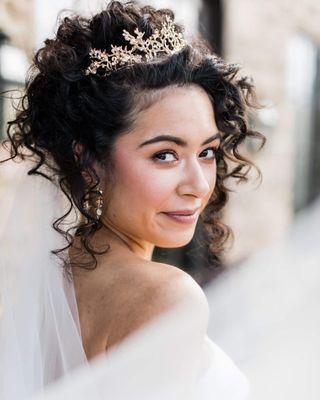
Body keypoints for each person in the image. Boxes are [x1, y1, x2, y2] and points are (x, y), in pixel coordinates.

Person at [0, 1, 266, 399]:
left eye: (207, 152)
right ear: (88, 160)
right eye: (165, 155)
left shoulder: (54, 285)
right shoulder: (170, 298)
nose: (197, 183)